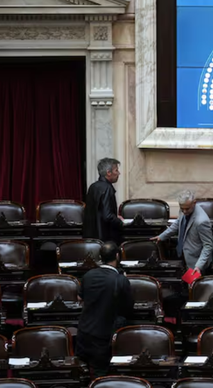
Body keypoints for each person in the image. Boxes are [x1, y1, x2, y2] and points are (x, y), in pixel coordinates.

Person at [76, 241, 134, 377]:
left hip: (84, 333)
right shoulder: (120, 280)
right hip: (103, 337)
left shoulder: (88, 275)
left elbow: (79, 298)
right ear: (117, 256)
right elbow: (128, 308)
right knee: (101, 376)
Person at [151, 190, 213, 273]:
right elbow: (178, 223)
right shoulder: (184, 209)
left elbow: (208, 246)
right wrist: (161, 236)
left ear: (194, 203)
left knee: (193, 285)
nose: (184, 211)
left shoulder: (202, 221)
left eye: (187, 209)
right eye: (182, 208)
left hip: (195, 262)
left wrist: (199, 266)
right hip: (184, 255)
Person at [83, 158, 124, 243]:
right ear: (108, 173)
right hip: (105, 239)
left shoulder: (93, 187)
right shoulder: (107, 188)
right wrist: (120, 222)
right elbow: (107, 216)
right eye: (116, 170)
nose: (119, 173)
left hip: (90, 238)